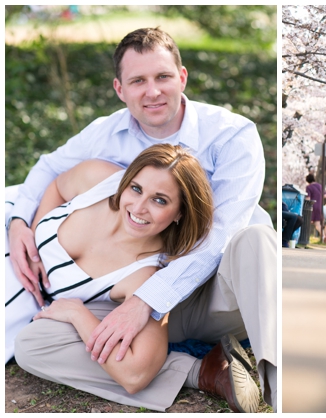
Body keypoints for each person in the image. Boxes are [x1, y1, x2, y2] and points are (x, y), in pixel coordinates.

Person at [5, 28, 276, 412]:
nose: (153, 92)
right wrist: (20, 222)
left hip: (211, 286)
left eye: (163, 77)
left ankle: (276, 383)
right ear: (120, 88)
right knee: (33, 345)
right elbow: (51, 168)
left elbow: (220, 234)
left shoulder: (232, 135)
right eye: (138, 81)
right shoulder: (106, 134)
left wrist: (146, 301)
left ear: (181, 77)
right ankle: (201, 371)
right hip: (128, 280)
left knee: (256, 238)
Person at [4, 144, 236, 398]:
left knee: (28, 348)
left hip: (20, 302)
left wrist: (76, 313)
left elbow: (136, 374)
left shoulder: (144, 274)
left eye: (160, 200)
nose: (138, 208)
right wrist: (32, 236)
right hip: (11, 225)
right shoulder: (98, 179)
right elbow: (57, 186)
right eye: (136, 189)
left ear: (180, 213)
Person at [305, 173, 324, 239]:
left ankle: (306, 237)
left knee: (307, 221)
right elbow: (324, 196)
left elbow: (308, 198)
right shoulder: (320, 186)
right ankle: (323, 235)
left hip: (312, 207)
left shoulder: (308, 187)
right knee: (317, 223)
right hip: (319, 206)